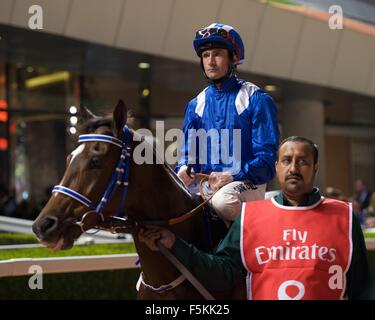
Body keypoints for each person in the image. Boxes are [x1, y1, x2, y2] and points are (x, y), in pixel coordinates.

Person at [140, 136, 374, 300]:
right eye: (286, 160)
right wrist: (174, 243)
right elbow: (221, 274)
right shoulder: (251, 216)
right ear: (276, 167)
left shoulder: (343, 215)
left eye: (302, 161)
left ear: (315, 168)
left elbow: (362, 287)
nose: (293, 168)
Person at [175, 23, 279, 225]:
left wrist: (232, 175)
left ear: (233, 58)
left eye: (217, 54)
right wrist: (184, 169)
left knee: (223, 203)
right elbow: (189, 156)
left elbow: (267, 161)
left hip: (247, 183)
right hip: (206, 185)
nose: (211, 61)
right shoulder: (195, 105)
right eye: (205, 56)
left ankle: (266, 225)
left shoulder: (257, 99)